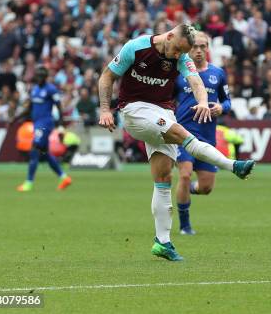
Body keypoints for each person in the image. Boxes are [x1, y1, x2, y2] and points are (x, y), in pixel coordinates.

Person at [98, 24, 255, 262]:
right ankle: (233, 166)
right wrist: (105, 109)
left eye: (182, 52)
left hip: (162, 112)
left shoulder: (181, 55)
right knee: (182, 134)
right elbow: (107, 76)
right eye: (176, 50)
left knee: (163, 178)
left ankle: (162, 243)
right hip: (134, 110)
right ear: (169, 36)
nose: (177, 56)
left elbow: (196, 82)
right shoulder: (136, 47)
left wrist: (202, 101)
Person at [174, 32, 232, 235]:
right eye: (195, 47)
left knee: (206, 188)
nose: (198, 51)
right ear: (188, 48)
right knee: (185, 174)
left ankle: (185, 192)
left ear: (208, 48)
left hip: (207, 136)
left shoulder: (218, 73)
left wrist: (221, 108)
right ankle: (184, 225)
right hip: (183, 134)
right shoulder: (178, 74)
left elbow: (227, 101)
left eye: (203, 46)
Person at [10, 66, 72, 192]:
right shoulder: (34, 90)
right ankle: (64, 177)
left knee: (34, 149)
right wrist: (15, 118)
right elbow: (29, 108)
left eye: (39, 76)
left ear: (44, 77)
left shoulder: (51, 90)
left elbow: (59, 108)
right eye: (36, 76)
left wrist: (60, 126)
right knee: (45, 153)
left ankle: (28, 183)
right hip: (37, 124)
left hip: (45, 124)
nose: (37, 79)